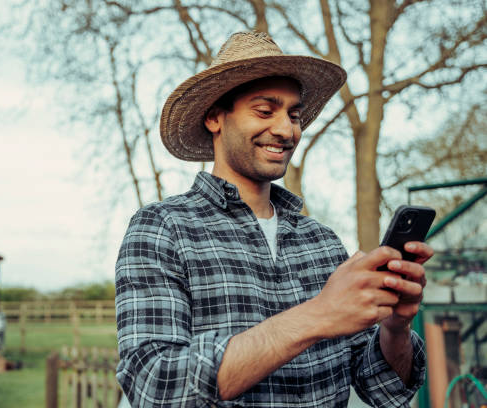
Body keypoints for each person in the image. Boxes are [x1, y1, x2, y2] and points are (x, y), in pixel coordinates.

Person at [115, 31, 433, 407]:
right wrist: (316, 315)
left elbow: (384, 390)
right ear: (215, 117)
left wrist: (394, 328)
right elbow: (154, 388)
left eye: (294, 114)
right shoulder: (162, 229)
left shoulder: (322, 241)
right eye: (265, 111)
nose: (286, 130)